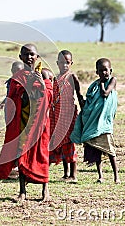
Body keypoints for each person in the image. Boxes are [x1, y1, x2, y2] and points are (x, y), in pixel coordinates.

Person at [0, 43, 53, 202]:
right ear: (20, 57)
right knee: (21, 156)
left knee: (42, 155)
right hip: (23, 124)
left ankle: (45, 191)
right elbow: (17, 99)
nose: (29, 57)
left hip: (40, 125)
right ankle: (22, 192)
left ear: (37, 57)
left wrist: (40, 82)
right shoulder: (17, 79)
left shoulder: (45, 75)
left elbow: (48, 98)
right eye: (26, 54)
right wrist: (28, 84)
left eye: (32, 54)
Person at [70, 58, 119, 184]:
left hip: (104, 124)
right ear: (96, 72)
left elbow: (105, 94)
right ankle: (100, 175)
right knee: (96, 152)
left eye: (106, 70)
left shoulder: (112, 81)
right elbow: (90, 102)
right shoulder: (93, 86)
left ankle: (116, 176)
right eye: (101, 71)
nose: (104, 73)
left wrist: (102, 83)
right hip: (94, 122)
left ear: (111, 70)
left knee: (110, 151)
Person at [49, 50, 84, 183]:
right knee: (62, 145)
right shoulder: (56, 78)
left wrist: (84, 112)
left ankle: (73, 175)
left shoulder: (71, 77)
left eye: (67, 63)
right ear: (57, 63)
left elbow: (79, 95)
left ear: (71, 63)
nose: (64, 65)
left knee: (70, 144)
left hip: (69, 116)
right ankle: (66, 174)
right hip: (57, 116)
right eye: (62, 63)